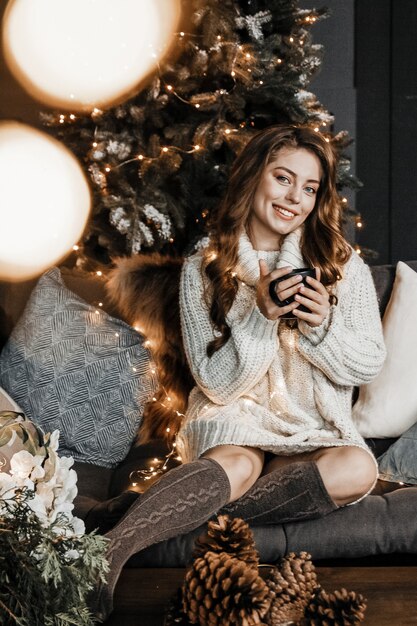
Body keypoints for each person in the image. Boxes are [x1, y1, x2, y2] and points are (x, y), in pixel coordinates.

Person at [95, 124, 386, 619]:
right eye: (283, 178)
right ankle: (106, 556)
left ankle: (151, 511)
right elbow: (216, 382)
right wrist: (260, 315)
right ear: (254, 176)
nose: (295, 197)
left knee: (359, 468)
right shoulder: (204, 266)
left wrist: (320, 327)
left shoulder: (340, 263)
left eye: (310, 187)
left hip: (311, 428)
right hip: (236, 420)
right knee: (239, 465)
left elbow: (367, 362)